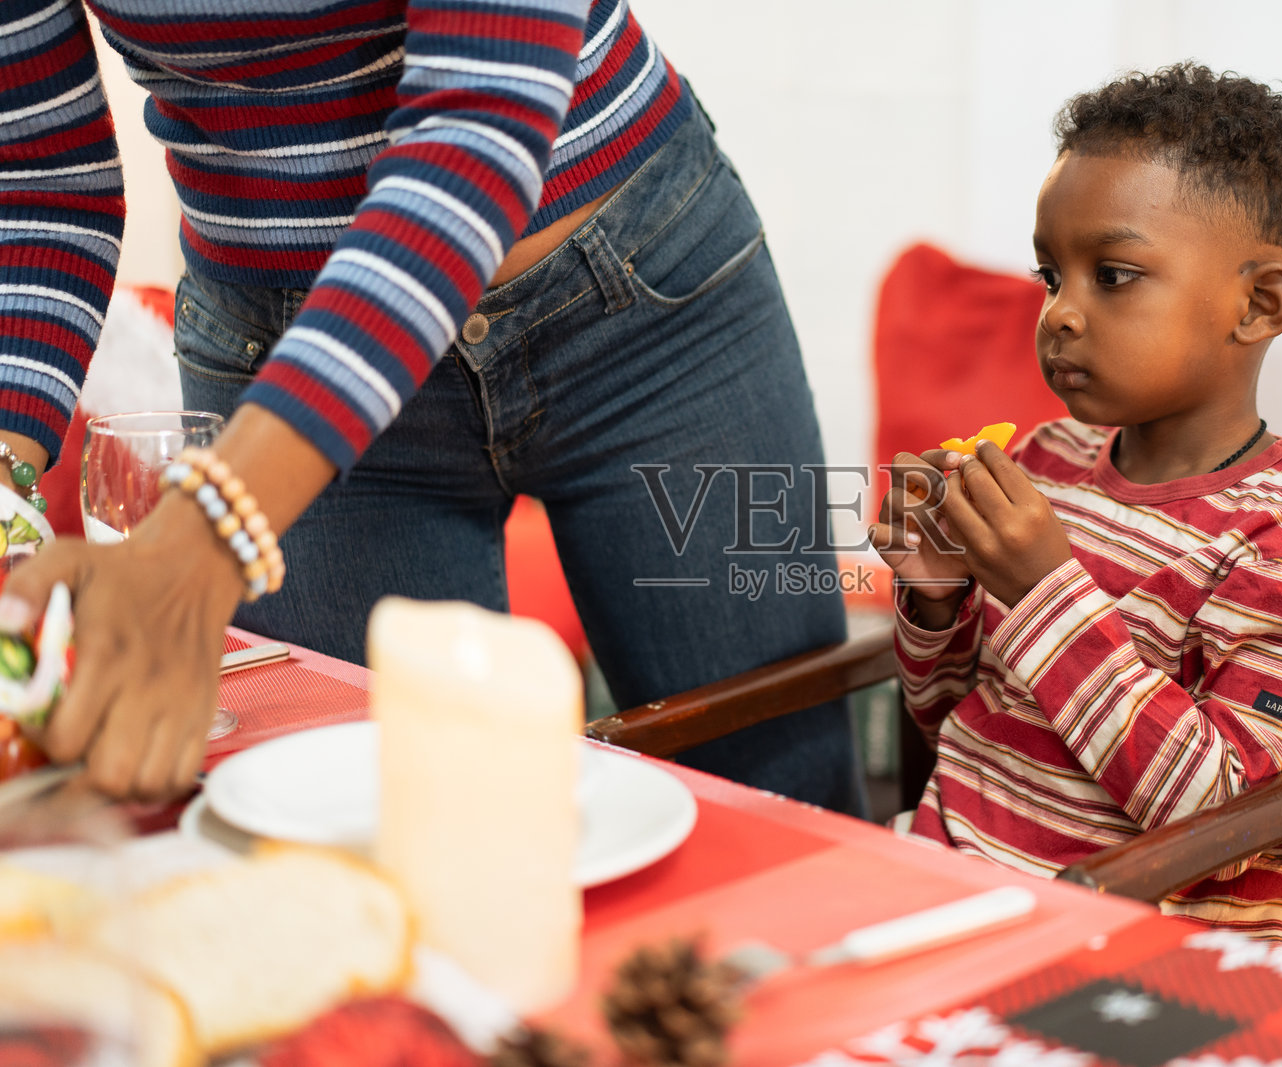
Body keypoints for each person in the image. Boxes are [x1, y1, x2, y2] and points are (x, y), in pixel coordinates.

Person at [0, 1, 862, 813]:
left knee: (785, 800)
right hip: (282, 358)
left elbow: (474, 131)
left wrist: (205, 534)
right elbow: (41, 180)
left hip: (646, 314)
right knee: (365, 852)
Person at [870, 64, 1282, 944]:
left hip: (1127, 964)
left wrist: (1042, 592)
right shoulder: (1046, 463)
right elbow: (955, 711)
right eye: (1050, 275)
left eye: (1111, 274)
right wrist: (935, 593)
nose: (1061, 313)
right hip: (946, 896)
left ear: (1259, 303)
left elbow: (1222, 819)